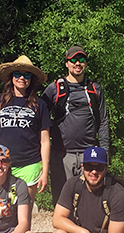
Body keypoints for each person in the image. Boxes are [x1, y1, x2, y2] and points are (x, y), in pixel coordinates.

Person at [42, 45, 110, 205]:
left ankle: (87, 230)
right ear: (67, 63)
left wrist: (105, 150)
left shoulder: (95, 89)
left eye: (81, 60)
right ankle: (63, 230)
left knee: (90, 199)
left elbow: (103, 121)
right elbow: (40, 117)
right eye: (73, 60)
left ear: (85, 63)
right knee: (62, 200)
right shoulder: (55, 88)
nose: (77, 63)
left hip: (89, 153)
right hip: (62, 154)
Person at [0, 55, 51, 208]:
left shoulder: (40, 105)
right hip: (1, 163)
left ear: (31, 79)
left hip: (30, 164)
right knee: (2, 207)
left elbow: (45, 140)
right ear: (11, 77)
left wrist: (45, 171)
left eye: (27, 74)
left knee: (24, 208)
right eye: (18, 74)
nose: (22, 77)